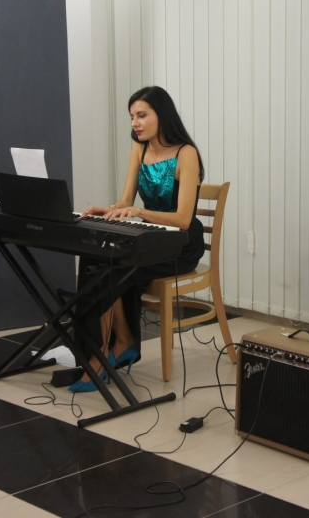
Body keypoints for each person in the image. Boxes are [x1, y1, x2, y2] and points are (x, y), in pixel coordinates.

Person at [69, 86, 205, 392]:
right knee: (94, 257)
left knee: (112, 266)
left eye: (142, 115)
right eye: (132, 117)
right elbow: (126, 200)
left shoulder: (186, 153)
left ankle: (105, 353)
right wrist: (111, 209)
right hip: (149, 235)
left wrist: (140, 212)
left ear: (162, 115)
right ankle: (111, 345)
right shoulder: (139, 148)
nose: (135, 123)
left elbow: (183, 220)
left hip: (181, 243)